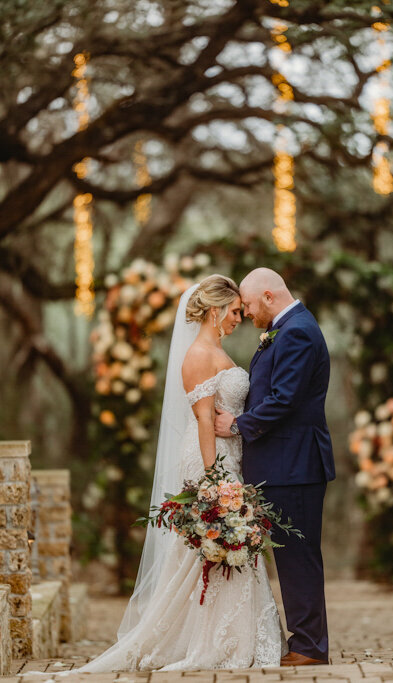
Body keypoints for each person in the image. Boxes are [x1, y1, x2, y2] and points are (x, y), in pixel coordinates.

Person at [64, 274, 286, 672]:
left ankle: (231, 633)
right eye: (235, 311)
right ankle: (214, 640)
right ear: (215, 311)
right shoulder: (199, 355)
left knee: (220, 545)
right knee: (214, 542)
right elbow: (203, 421)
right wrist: (214, 479)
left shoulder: (215, 349)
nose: (240, 318)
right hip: (211, 456)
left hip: (226, 452)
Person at [215, 267, 335, 666]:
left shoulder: (298, 331)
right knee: (293, 554)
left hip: (295, 463)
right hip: (285, 462)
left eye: (248, 305)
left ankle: (310, 646)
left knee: (298, 554)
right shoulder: (289, 328)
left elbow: (284, 400)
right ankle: (305, 639)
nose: (247, 313)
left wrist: (235, 425)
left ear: (268, 296)